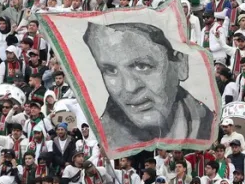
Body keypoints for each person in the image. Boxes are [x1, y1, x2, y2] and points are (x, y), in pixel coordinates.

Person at [83, 21, 215, 151]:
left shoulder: (211, 129)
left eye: (142, 66)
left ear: (180, 65)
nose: (130, 87)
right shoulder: (100, 141)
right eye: (111, 70)